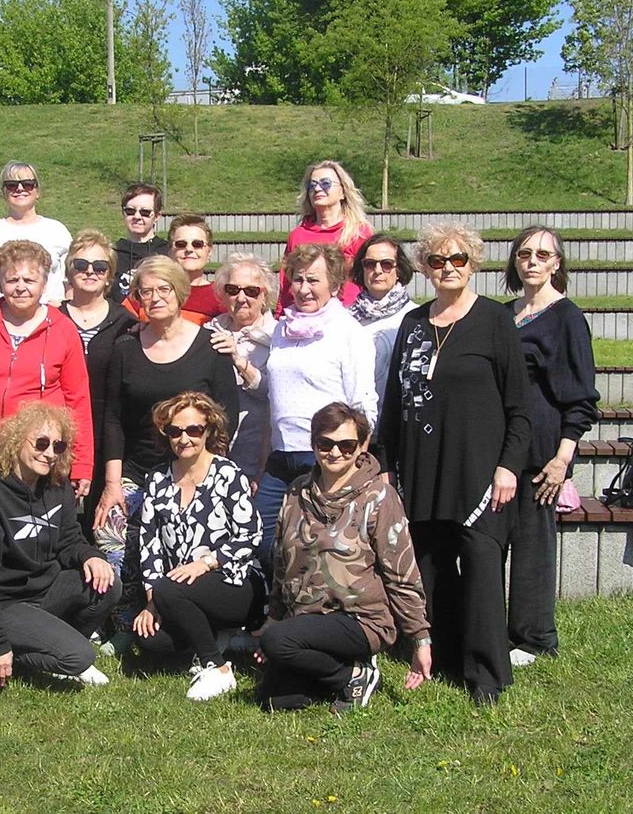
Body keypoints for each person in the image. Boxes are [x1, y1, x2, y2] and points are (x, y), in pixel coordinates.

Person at [378, 221, 531, 705]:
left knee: (483, 567)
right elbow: (393, 403)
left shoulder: (494, 321)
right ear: (424, 268)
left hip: (481, 473)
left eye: (457, 259)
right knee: (431, 569)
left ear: (473, 263)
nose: (448, 268)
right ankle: (442, 658)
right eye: (437, 260)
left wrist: (508, 466)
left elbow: (519, 407)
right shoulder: (414, 324)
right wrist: (386, 465)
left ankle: (487, 673)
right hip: (423, 470)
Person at [256, 402, 431, 713]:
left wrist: (420, 639)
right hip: (307, 618)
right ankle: (332, 670)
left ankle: (354, 674)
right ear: (313, 444)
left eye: (346, 445)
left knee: (278, 644)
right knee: (275, 699)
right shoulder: (297, 493)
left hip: (360, 619)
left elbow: (401, 572)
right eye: (325, 443)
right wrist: (274, 618)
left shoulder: (378, 497)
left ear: (361, 446)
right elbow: (282, 563)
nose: (335, 453)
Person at [96, 256, 239, 621]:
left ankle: (183, 616)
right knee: (111, 531)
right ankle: (124, 616)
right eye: (147, 291)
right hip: (137, 468)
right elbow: (113, 418)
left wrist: (205, 474)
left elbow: (227, 416)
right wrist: (113, 483)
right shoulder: (125, 349)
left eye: (164, 289)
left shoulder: (211, 346)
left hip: (194, 471)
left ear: (179, 293)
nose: (156, 297)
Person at [0, 402, 120, 691]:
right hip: (4, 602)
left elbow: (70, 539)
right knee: (80, 657)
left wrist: (92, 556)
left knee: (108, 584)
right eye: (41, 443)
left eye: (58, 446)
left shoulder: (56, 486)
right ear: (16, 440)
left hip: (45, 591)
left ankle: (51, 648)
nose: (49, 454)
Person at [502, 226, 599, 667]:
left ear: (557, 263)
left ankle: (535, 637)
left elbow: (580, 397)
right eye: (525, 254)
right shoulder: (506, 314)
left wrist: (563, 458)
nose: (533, 261)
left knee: (532, 547)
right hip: (499, 448)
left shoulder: (567, 318)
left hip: (542, 453)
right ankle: (490, 628)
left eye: (543, 255)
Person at [254, 242, 377, 573]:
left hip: (325, 458)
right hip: (280, 458)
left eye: (313, 281)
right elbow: (275, 396)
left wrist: (355, 462)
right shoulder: (282, 329)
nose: (304, 289)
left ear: (335, 285)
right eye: (298, 280)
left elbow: (363, 404)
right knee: (264, 543)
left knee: (316, 548)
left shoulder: (349, 333)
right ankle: (273, 615)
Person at [133, 393, 263, 701]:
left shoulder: (228, 474)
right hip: (181, 589)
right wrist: (153, 604)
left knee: (169, 590)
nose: (184, 438)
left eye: (194, 430)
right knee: (149, 640)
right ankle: (223, 639)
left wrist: (206, 563)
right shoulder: (157, 480)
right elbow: (149, 546)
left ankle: (217, 667)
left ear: (209, 430)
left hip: (234, 579)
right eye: (175, 431)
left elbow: (250, 535)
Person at [0, 240, 94, 494]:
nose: (20, 288)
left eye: (29, 281)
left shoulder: (63, 329)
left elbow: (78, 400)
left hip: (42, 458)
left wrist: (83, 464)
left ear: (43, 285)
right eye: (12, 280)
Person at [59, 230, 137, 532]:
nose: (90, 271)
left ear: (109, 277)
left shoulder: (127, 325)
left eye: (100, 267)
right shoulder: (51, 319)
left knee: (102, 525)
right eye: (81, 265)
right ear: (69, 270)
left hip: (112, 439)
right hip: (61, 437)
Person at [207, 253, 278, 485]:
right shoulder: (210, 331)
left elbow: (273, 393)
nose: (241, 297)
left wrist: (239, 361)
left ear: (264, 295)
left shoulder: (278, 336)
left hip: (259, 454)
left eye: (251, 291)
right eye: (233, 289)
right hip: (213, 456)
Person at [277, 160, 373, 313]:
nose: (317, 189)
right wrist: (280, 317)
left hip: (349, 316)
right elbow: (286, 284)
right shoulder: (297, 235)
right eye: (312, 185)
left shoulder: (358, 232)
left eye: (325, 183)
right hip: (304, 317)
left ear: (342, 191)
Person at [0, 161, 72, 304]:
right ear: (4, 192)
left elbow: (71, 280)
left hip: (49, 316)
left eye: (27, 184)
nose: (19, 189)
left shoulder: (57, 231)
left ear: (37, 191)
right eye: (12, 185)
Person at [347, 234, 419, 417]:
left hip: (399, 422)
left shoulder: (415, 317)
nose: (377, 270)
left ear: (399, 270)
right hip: (355, 426)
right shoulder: (346, 319)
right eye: (369, 264)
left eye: (386, 264)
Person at [111, 183, 167, 304]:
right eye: (130, 211)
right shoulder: (111, 253)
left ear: (157, 216)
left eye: (145, 212)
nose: (137, 216)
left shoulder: (168, 253)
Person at [167, 214, 225, 323]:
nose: (189, 249)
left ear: (209, 251)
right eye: (181, 244)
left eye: (197, 244)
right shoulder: (153, 290)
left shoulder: (222, 297)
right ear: (170, 250)